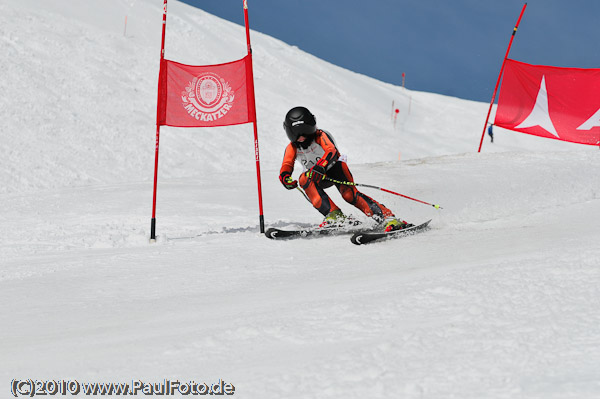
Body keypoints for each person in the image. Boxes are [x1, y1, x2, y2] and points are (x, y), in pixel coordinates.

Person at [278, 106, 411, 232]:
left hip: (335, 169)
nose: (301, 137)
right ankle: (334, 215)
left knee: (350, 195)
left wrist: (321, 166)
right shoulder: (293, 147)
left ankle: (389, 218)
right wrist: (285, 177)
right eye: (296, 134)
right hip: (318, 176)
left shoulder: (320, 135)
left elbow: (332, 151)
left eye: (305, 132)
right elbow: (287, 165)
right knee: (304, 179)